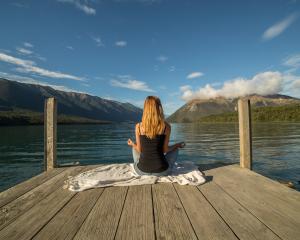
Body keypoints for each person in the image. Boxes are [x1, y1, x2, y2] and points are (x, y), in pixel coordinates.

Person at [127, 96, 185, 176]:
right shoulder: (166, 126)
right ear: (159, 108)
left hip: (142, 171)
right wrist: (177, 145)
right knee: (175, 149)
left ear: (145, 109)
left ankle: (144, 165)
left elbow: (140, 150)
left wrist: (132, 144)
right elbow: (165, 150)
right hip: (162, 171)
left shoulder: (138, 127)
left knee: (134, 148)